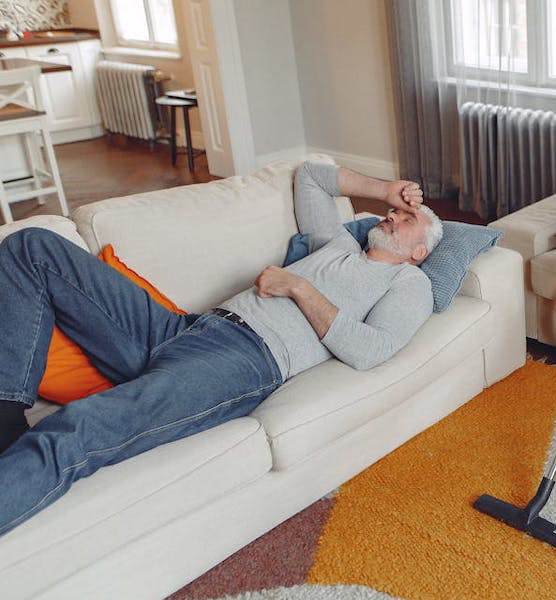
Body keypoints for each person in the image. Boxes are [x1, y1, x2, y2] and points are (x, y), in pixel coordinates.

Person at [0, 161, 443, 536]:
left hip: (240, 362)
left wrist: (299, 287)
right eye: (393, 211)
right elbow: (309, 176)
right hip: (182, 329)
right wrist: (387, 188)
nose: (392, 217)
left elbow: (371, 349)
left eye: (407, 220)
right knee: (32, 245)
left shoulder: (409, 283)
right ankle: (5, 412)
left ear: (418, 252)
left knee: (79, 426)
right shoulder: (339, 243)